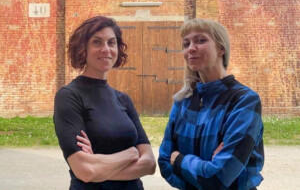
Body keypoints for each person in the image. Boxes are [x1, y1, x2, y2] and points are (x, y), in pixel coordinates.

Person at [158, 18, 264, 190]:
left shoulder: (244, 100)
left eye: (201, 40)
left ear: (221, 48)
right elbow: (164, 163)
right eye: (186, 44)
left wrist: (179, 160)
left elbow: (219, 177)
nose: (191, 48)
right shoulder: (182, 101)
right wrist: (204, 171)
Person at [54, 15, 156, 189]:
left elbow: (149, 164)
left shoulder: (123, 99)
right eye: (97, 42)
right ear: (82, 48)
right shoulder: (69, 96)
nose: (106, 49)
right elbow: (84, 170)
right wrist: (130, 154)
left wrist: (98, 166)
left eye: (111, 42)